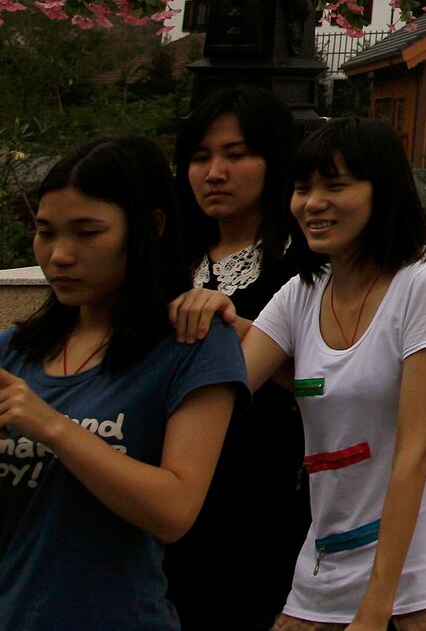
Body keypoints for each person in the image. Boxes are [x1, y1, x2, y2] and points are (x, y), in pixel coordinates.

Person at [0, 136, 243, 631]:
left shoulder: (192, 346)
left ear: (149, 228)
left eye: (87, 233)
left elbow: (174, 511)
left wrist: (54, 427)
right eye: (45, 232)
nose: (60, 255)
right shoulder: (12, 351)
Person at [227, 117, 426, 631]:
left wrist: (374, 608)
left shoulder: (425, 286)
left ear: (381, 191)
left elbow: (414, 450)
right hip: (320, 580)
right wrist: (215, 322)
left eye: (335, 186)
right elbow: (228, 384)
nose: (312, 203)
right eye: (302, 189)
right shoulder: (302, 292)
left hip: (415, 591)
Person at [163, 86, 311, 630]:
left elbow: (329, 380)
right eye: (200, 158)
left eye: (236, 154)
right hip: (171, 503)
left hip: (268, 501)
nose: (214, 172)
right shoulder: (168, 266)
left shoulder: (305, 270)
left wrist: (247, 335)